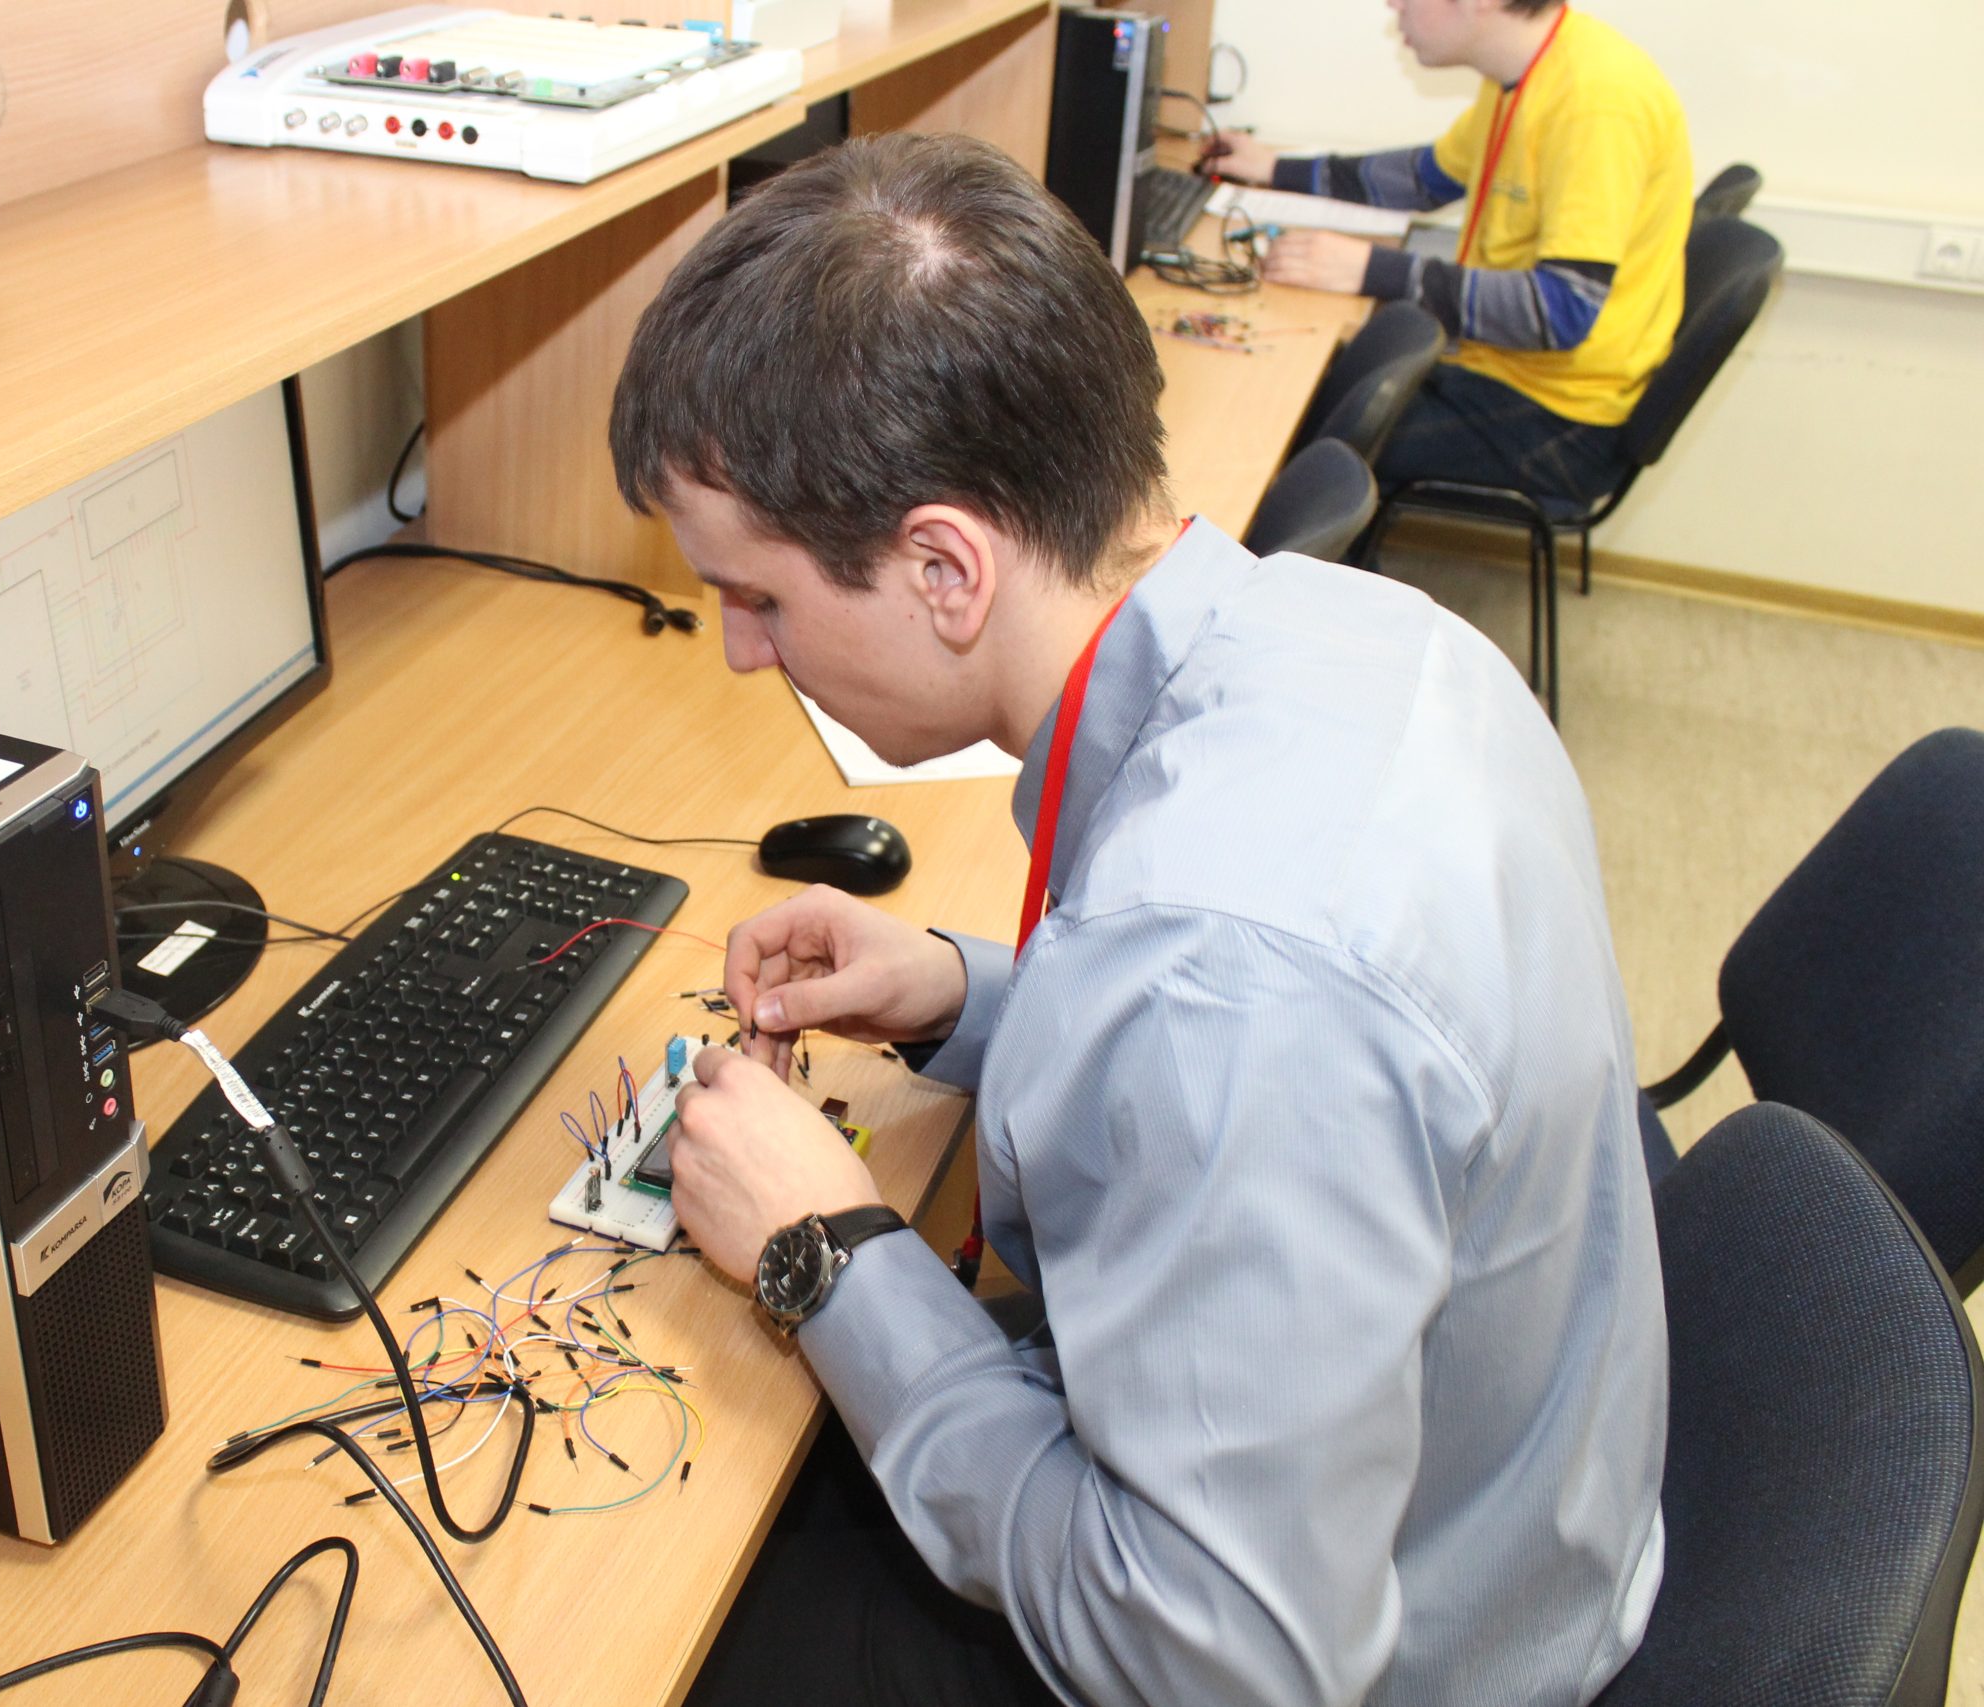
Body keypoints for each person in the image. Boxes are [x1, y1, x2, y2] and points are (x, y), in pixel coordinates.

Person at [608, 131, 1666, 1707]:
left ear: (945, 566)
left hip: (1350, 1647)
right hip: (1481, 1499)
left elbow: (1213, 1659)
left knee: (664, 1608)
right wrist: (973, 994)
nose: (742, 653)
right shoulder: (1361, 632)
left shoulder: (1226, 980)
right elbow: (1248, 1057)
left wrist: (824, 1250)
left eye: (757, 595)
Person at [1210, 0, 1691, 505]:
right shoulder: (1526, 74)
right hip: (1510, 371)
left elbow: (1562, 311)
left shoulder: (1596, 101)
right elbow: (1424, 179)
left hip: (1560, 418)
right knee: (1300, 386)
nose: (1393, 4)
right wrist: (1274, 169)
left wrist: (1370, 269)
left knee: (1289, 426)